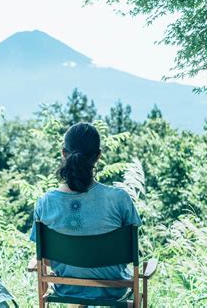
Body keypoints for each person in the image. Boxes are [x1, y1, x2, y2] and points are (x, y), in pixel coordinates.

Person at [29, 122, 142, 300]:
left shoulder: (45, 203)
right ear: (98, 156)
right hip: (113, 289)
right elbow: (130, 252)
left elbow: (46, 260)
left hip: (67, 288)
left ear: (63, 153)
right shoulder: (119, 199)